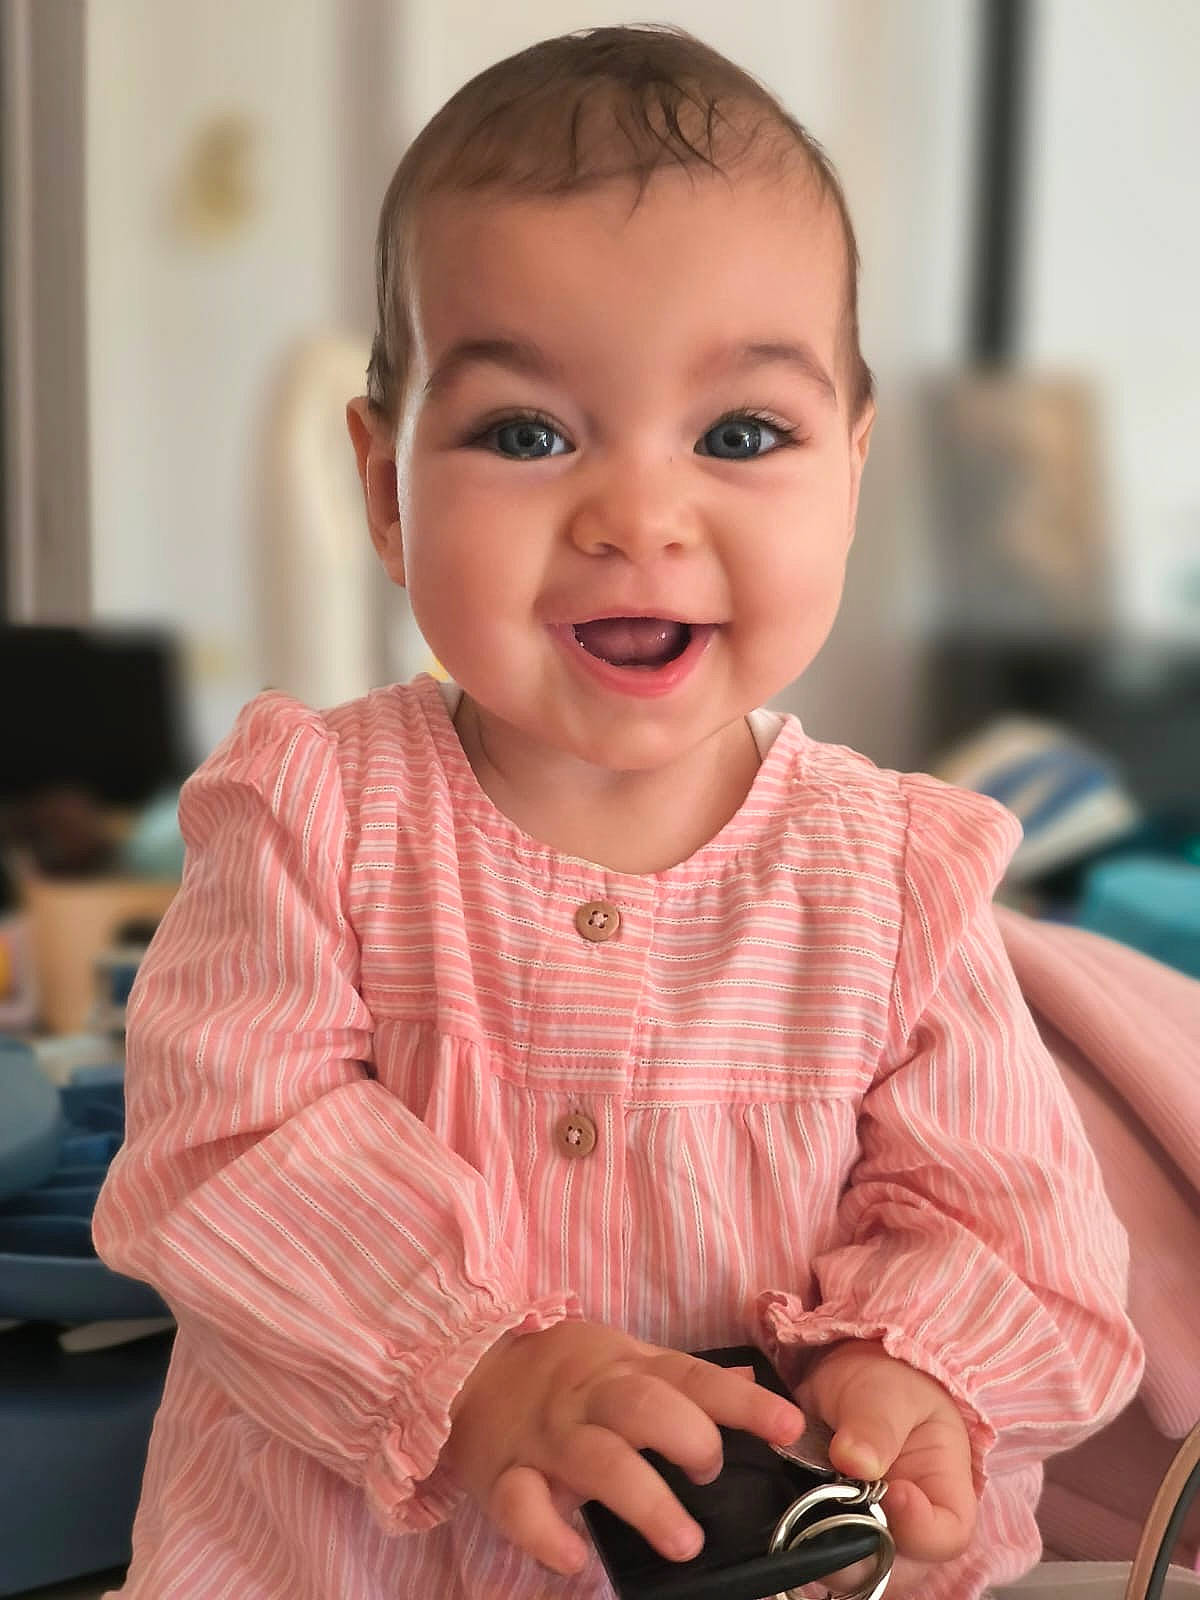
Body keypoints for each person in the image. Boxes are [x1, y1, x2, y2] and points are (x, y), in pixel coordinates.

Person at [93, 25, 1143, 1600]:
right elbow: (225, 1154)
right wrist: (478, 1367)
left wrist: (907, 1373)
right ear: (386, 489)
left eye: (741, 436)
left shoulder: (897, 882)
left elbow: (1018, 1233)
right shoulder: (312, 817)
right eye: (527, 434)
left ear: (850, 475)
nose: (639, 519)